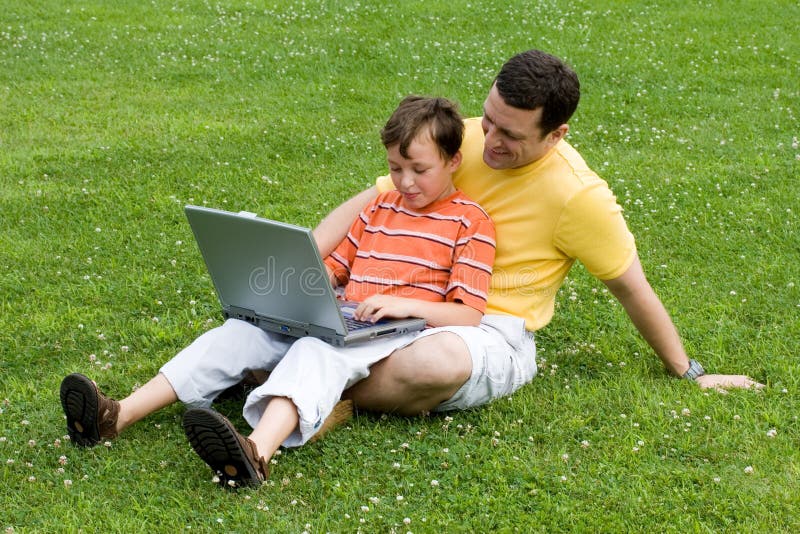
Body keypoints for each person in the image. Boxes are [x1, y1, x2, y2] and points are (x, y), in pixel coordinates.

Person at [60, 95, 496, 487]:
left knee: (316, 352)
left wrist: (400, 303)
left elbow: (467, 313)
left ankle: (255, 454)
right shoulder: (378, 207)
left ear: (454, 160)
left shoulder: (470, 222)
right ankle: (116, 416)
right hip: (341, 315)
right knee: (238, 334)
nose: (404, 182)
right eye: (395, 169)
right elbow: (335, 268)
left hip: (394, 332)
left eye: (420, 170)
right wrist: (309, 280)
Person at [312, 49, 762, 419]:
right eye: (488, 120)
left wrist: (689, 372)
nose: (488, 141)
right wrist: (306, 260)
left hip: (488, 330)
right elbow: (368, 202)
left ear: (556, 135)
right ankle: (315, 384)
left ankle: (307, 387)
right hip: (414, 303)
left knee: (434, 363)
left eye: (510, 134)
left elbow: (632, 288)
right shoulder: (461, 139)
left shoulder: (579, 197)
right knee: (314, 317)